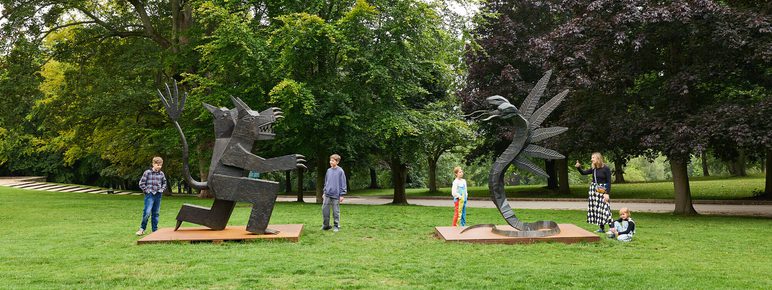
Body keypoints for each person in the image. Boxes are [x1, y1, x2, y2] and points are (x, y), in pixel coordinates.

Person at [575, 152, 612, 233]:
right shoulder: (594, 169)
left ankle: (612, 228)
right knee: (598, 209)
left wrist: (607, 193)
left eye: (593, 158)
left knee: (606, 208)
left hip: (603, 189)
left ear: (598, 158)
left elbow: (609, 182)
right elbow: (583, 173)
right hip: (594, 190)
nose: (591, 159)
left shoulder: (606, 168)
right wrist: (578, 167)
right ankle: (601, 229)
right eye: (591, 158)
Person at [136, 156, 167, 236]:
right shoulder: (147, 173)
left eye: (160, 165)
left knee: (156, 213)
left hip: (158, 195)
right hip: (149, 195)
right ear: (153, 164)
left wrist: (161, 190)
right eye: (157, 165)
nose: (159, 166)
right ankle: (142, 229)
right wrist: (147, 191)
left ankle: (155, 230)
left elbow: (164, 183)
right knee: (147, 212)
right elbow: (141, 183)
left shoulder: (161, 174)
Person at [322, 154, 347, 232]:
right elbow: (326, 182)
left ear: (337, 162)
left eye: (332, 160)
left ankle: (336, 226)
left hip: (336, 195)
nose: (330, 162)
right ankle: (326, 226)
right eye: (330, 160)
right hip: (327, 194)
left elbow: (343, 183)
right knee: (324, 210)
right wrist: (324, 192)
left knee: (335, 211)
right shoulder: (328, 171)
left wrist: (342, 194)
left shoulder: (340, 171)